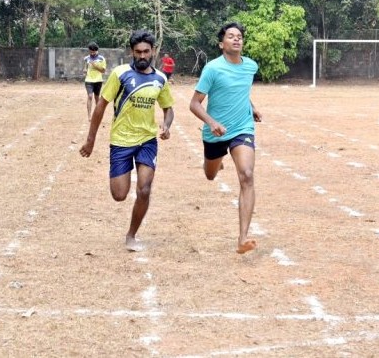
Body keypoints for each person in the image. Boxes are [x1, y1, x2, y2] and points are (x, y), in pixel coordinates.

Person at [80, 30, 174, 252]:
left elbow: (168, 108)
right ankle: (123, 175)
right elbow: (101, 106)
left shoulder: (160, 79)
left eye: (146, 52)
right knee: (119, 195)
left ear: (153, 52)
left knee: (144, 189)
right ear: (132, 52)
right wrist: (90, 140)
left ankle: (131, 235)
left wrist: (167, 125)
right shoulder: (120, 74)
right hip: (121, 140)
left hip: (147, 140)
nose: (142, 56)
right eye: (138, 52)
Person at [189, 22, 262, 255]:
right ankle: (215, 161)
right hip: (216, 132)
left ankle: (242, 238)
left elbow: (242, 91)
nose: (236, 39)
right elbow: (194, 104)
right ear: (222, 44)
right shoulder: (212, 69)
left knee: (247, 175)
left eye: (239, 36)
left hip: (242, 128)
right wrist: (211, 123)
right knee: (210, 175)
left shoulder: (250, 66)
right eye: (231, 36)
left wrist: (252, 107)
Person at [83, 42, 106, 121]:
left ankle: (97, 115)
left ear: (97, 50)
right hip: (88, 80)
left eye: (94, 52)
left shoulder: (101, 59)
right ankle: (89, 116)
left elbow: (103, 71)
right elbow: (85, 68)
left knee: (97, 98)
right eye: (90, 51)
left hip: (98, 80)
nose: (92, 53)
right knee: (89, 96)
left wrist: (95, 66)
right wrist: (85, 71)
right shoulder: (86, 58)